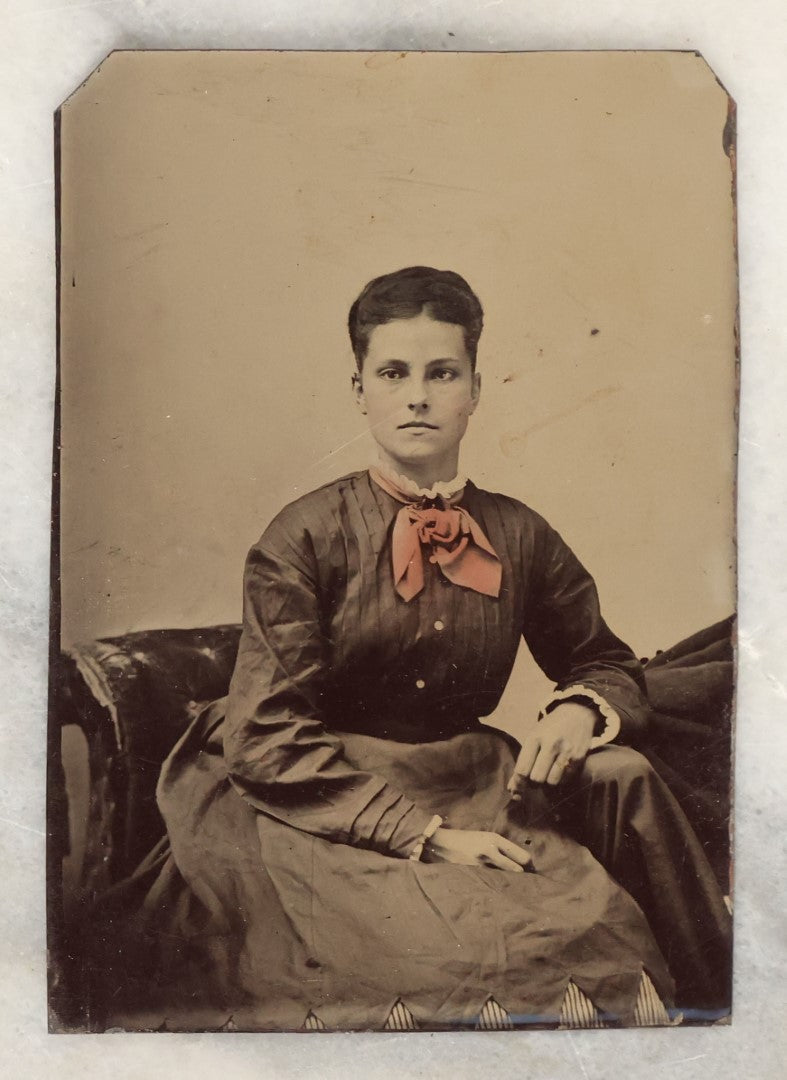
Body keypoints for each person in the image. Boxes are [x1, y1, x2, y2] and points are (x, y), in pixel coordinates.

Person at [107, 267, 731, 1031]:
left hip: (469, 780)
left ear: (474, 388)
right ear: (359, 389)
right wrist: (425, 839)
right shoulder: (303, 535)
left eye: (442, 373)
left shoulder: (519, 534)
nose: (417, 396)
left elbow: (604, 659)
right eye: (393, 373)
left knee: (581, 947)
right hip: (314, 795)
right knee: (419, 972)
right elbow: (265, 735)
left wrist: (578, 707)